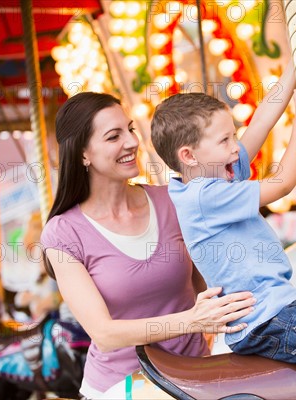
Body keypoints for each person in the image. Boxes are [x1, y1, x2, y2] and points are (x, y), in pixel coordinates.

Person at [150, 22, 296, 400]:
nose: (235, 147)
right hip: (266, 317)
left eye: (232, 136)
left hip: (272, 309)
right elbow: (283, 182)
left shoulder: (212, 176)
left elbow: (261, 122)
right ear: (188, 156)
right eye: (225, 140)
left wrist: (295, 65)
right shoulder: (204, 197)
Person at [40, 92, 256, 399]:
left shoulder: (171, 200)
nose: (131, 141)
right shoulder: (65, 233)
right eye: (114, 136)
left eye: (129, 129)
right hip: (125, 385)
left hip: (195, 374)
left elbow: (237, 157)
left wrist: (290, 88)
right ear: (82, 154)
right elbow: (105, 333)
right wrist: (193, 320)